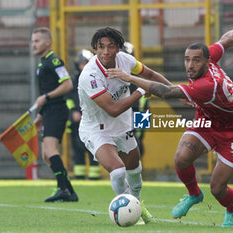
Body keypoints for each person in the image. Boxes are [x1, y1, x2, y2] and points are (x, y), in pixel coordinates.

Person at [107, 15, 233, 227]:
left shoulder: (207, 85)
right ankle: (194, 194)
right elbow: (226, 40)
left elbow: (167, 92)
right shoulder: (210, 57)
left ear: (206, 61)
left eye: (195, 60)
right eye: (187, 59)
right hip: (207, 119)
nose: (190, 64)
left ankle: (232, 210)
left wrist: (130, 78)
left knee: (217, 188)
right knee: (181, 158)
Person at [78, 26, 172, 223]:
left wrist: (175, 92)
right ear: (95, 48)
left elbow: (152, 75)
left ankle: (136, 209)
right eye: (100, 47)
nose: (105, 52)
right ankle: (125, 211)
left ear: (119, 48)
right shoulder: (90, 75)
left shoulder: (126, 61)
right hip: (97, 130)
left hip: (124, 126)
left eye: (110, 46)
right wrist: (140, 89)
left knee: (135, 172)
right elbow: (112, 109)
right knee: (119, 171)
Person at [31, 27, 78, 202]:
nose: (33, 44)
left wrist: (47, 97)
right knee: (46, 154)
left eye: (37, 41)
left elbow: (67, 85)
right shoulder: (42, 63)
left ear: (48, 42)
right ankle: (69, 191)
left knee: (50, 150)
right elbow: (46, 91)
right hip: (49, 112)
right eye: (33, 41)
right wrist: (41, 115)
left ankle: (63, 189)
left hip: (57, 111)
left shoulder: (54, 61)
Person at [66, 49, 101, 180]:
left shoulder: (95, 80)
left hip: (92, 120)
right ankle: (79, 176)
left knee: (93, 148)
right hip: (76, 122)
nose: (83, 66)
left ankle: (94, 176)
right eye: (81, 64)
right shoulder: (74, 82)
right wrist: (74, 111)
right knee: (77, 149)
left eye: (86, 63)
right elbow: (69, 99)